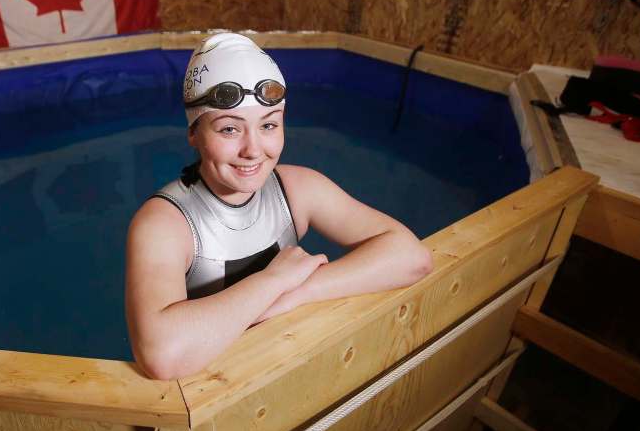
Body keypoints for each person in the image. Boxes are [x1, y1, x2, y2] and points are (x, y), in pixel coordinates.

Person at [125, 33, 433, 380]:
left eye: (268, 125)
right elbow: (162, 356)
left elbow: (413, 257)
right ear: (194, 134)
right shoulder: (164, 223)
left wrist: (300, 291)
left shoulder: (298, 189)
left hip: (284, 377)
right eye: (229, 129)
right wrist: (272, 281)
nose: (253, 150)